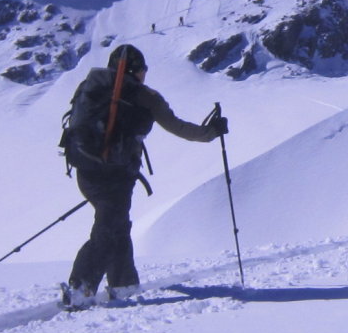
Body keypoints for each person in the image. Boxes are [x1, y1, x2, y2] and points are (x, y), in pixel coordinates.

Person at [60, 43, 226, 307]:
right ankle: (81, 287)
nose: (145, 73)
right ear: (135, 70)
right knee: (109, 228)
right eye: (143, 69)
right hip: (117, 174)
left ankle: (124, 284)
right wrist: (211, 132)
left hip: (85, 170)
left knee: (117, 223)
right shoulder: (145, 96)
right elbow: (177, 126)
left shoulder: (90, 86)